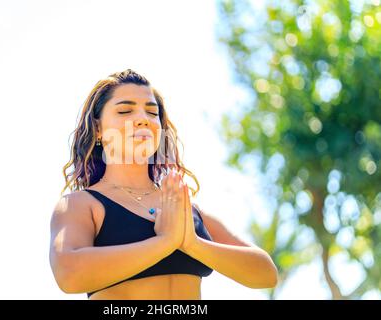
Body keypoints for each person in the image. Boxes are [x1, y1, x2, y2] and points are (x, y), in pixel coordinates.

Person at [49, 69, 278, 300]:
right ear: (98, 129)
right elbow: (69, 274)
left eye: (152, 112)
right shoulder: (81, 205)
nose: (142, 119)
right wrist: (165, 243)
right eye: (125, 110)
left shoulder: (185, 207)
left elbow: (266, 274)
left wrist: (192, 244)